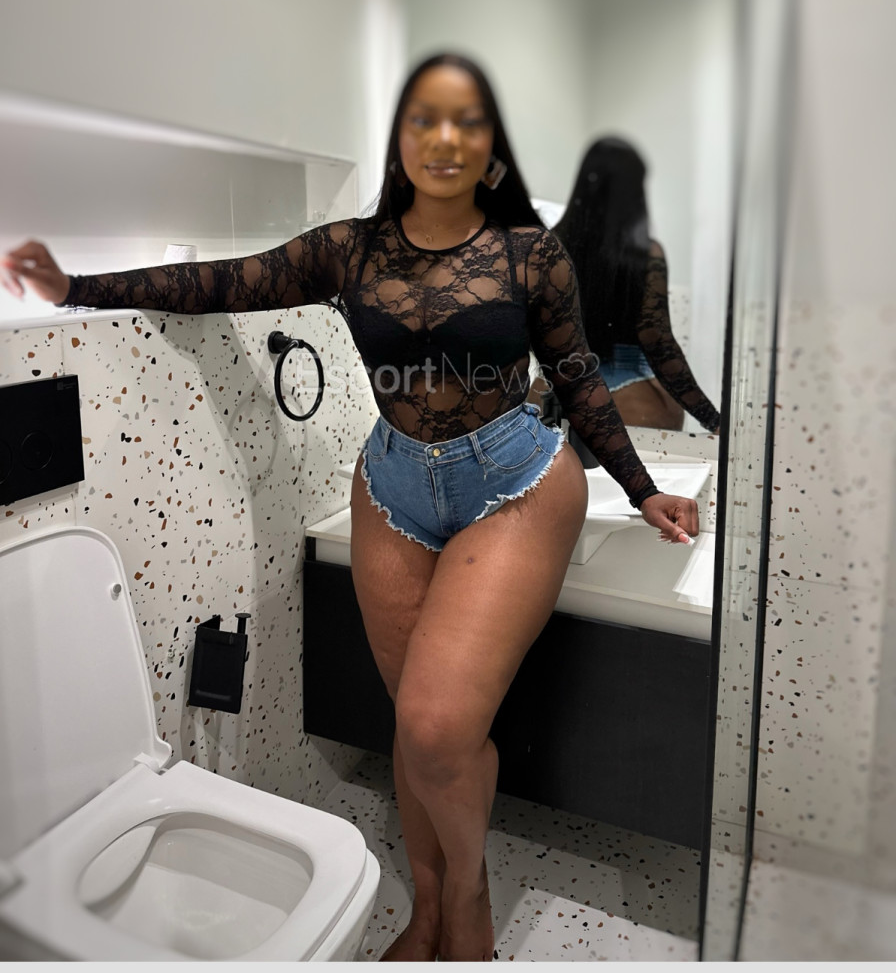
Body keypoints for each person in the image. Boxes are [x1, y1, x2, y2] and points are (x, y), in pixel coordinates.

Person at [1, 54, 700, 963]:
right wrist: (76, 288)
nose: (444, 138)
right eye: (423, 118)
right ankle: (430, 906)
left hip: (515, 482)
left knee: (438, 728)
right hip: (392, 485)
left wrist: (643, 490)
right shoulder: (348, 248)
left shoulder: (532, 254)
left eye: (466, 120)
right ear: (400, 137)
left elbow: (576, 377)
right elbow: (223, 283)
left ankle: (469, 898)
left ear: (490, 144)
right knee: (411, 718)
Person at [552, 135, 721, 447]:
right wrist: (712, 419)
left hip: (556, 388)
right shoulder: (643, 256)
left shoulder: (549, 247)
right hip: (630, 392)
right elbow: (657, 341)